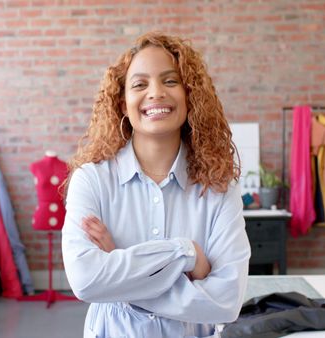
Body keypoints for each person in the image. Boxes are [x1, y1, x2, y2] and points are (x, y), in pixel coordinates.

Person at [62, 32, 250, 338]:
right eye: (139, 84)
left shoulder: (218, 187)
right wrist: (186, 253)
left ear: (190, 95)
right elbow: (85, 281)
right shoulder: (91, 180)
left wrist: (121, 269)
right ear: (123, 102)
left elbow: (226, 302)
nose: (156, 93)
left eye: (170, 81)